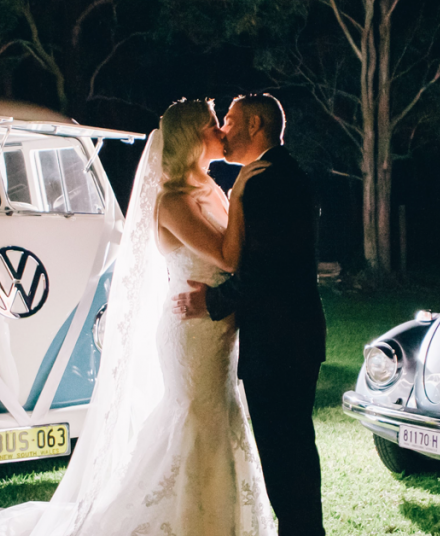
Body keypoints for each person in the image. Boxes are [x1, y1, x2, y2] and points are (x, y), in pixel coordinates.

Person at [0, 99, 274, 536]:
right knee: (198, 418)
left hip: (218, 326)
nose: (222, 132)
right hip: (193, 330)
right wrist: (242, 192)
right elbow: (228, 255)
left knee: (216, 416)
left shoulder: (210, 189)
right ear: (193, 137)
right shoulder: (174, 201)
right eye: (214, 125)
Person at [173, 94, 327, 536]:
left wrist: (213, 301)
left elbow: (264, 270)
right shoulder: (276, 174)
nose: (223, 129)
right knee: (292, 453)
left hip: (279, 343)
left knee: (287, 459)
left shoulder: (266, 182)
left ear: (255, 124)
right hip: (289, 337)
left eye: (229, 119)